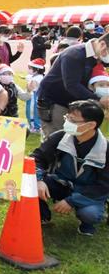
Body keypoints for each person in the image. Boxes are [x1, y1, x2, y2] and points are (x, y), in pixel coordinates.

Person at [32, 100, 109, 236]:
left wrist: (71, 201)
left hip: (88, 192)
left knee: (89, 214)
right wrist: (38, 180)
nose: (67, 123)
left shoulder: (106, 149)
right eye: (67, 118)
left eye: (73, 120)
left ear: (91, 125)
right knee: (30, 183)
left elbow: (103, 186)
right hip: (60, 183)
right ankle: (42, 215)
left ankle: (87, 223)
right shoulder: (60, 136)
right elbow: (36, 157)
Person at [37, 33, 109, 139]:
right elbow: (72, 85)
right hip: (55, 102)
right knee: (56, 139)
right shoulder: (75, 55)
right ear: (102, 45)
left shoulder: (97, 56)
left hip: (77, 101)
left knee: (76, 140)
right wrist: (99, 99)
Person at [26, 58, 46, 132]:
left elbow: (30, 89)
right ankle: (34, 126)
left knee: (31, 112)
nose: (28, 70)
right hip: (35, 96)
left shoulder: (36, 78)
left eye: (30, 68)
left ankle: (34, 127)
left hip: (33, 97)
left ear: (36, 69)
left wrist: (29, 81)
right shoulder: (38, 77)